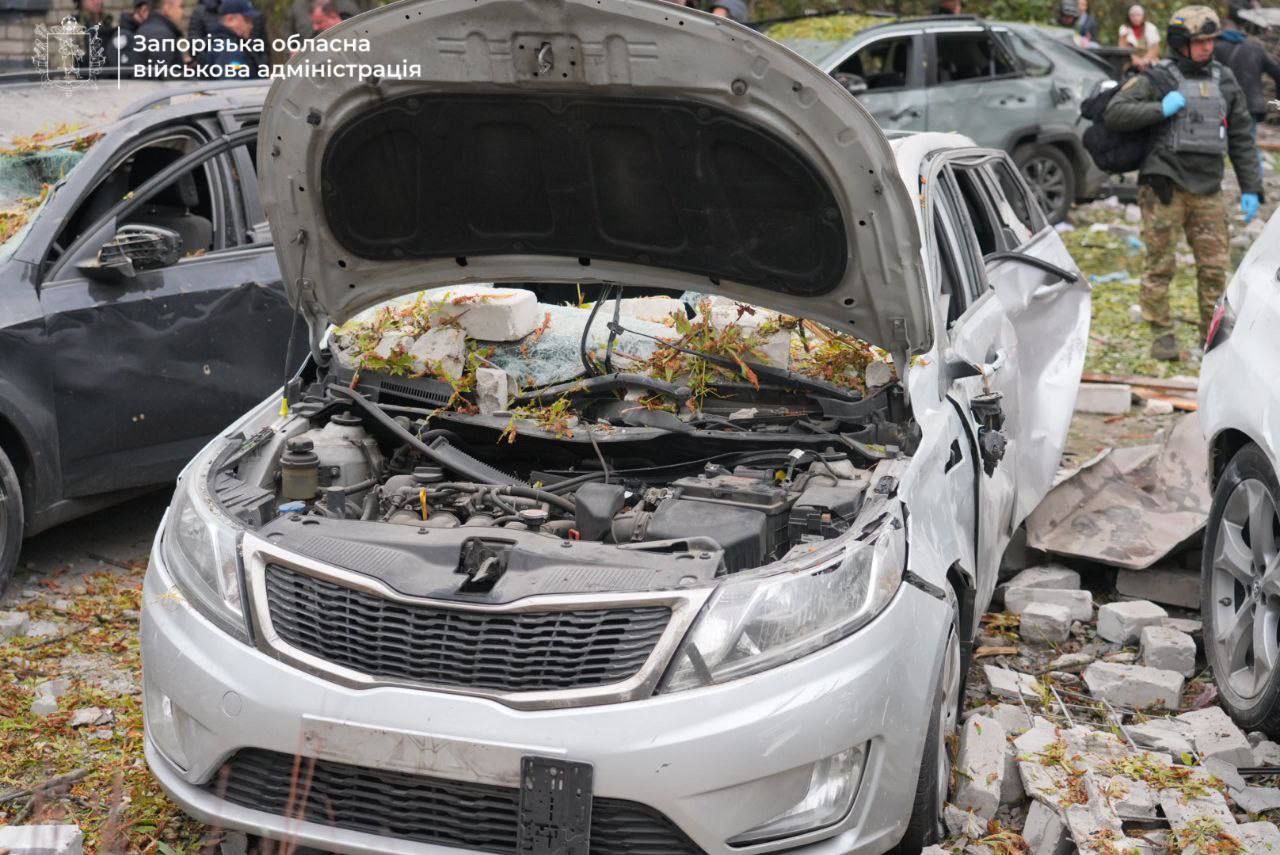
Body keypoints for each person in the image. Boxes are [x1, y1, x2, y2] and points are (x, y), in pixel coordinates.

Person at [1104, 5, 1263, 361]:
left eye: (1210, 40)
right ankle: (1161, 333)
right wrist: (1159, 108)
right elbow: (1116, 112)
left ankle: (1213, 338)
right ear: (1181, 44)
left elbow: (1239, 135)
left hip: (1207, 188)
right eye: (1199, 41)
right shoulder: (1158, 79)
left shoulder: (1225, 79)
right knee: (1160, 264)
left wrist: (1252, 186)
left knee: (1213, 268)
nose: (1208, 47)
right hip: (1166, 186)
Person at [1214, 16, 1280, 134]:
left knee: (1219, 143)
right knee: (1247, 146)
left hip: (1222, 106)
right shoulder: (1255, 48)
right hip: (1251, 106)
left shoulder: (1214, 49)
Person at [199, 0, 266, 76]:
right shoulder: (228, 50)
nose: (251, 26)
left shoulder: (229, 45)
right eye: (247, 20)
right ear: (230, 19)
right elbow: (235, 85)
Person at [132, 0, 186, 74]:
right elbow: (163, 78)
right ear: (167, 8)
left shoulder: (146, 29)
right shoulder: (162, 36)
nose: (183, 13)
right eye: (181, 7)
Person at [1120, 5, 1161, 70]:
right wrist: (1135, 60)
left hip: (1149, 61)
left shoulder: (1151, 28)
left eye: (1138, 15)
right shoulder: (1124, 29)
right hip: (1131, 61)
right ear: (1129, 17)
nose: (1135, 18)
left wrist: (1145, 60)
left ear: (1143, 16)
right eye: (1132, 15)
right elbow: (1122, 47)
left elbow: (1155, 48)